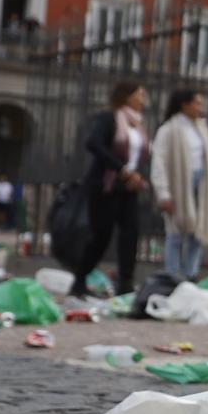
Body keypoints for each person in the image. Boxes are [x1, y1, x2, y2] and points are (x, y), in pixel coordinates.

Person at [73, 81, 150, 299]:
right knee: (101, 235)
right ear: (127, 97)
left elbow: (141, 155)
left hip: (129, 187)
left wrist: (137, 175)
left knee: (131, 234)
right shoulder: (108, 118)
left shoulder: (138, 124)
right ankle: (79, 279)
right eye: (140, 94)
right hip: (105, 185)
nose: (143, 99)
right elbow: (94, 144)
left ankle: (125, 283)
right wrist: (122, 169)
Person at [153, 88, 208, 281]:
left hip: (201, 184)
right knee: (176, 232)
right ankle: (173, 275)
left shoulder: (202, 128)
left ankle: (190, 274)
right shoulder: (168, 130)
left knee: (198, 233)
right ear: (184, 105)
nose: (200, 107)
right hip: (179, 186)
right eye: (197, 103)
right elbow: (159, 163)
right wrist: (164, 193)